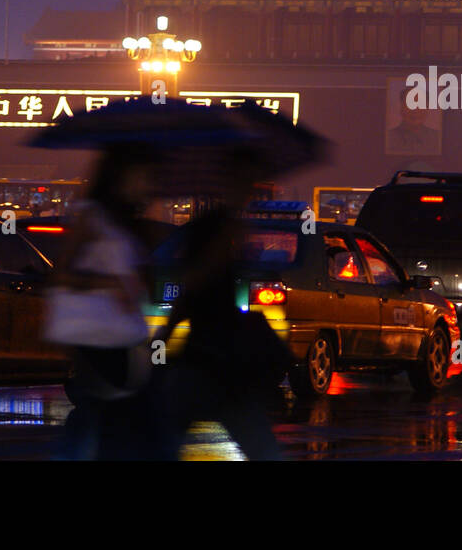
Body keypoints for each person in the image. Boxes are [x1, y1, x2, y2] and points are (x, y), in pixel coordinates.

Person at [49, 144, 166, 460]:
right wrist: (106, 283)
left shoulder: (130, 223)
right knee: (100, 421)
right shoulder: (92, 216)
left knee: (107, 424)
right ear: (120, 176)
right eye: (142, 175)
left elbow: (146, 285)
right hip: (95, 339)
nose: (147, 183)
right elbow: (61, 275)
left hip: (125, 338)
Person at [155, 200, 291, 460]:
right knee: (259, 443)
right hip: (222, 366)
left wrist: (160, 342)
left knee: (165, 438)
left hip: (200, 364)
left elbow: (183, 307)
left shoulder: (210, 264)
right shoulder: (217, 264)